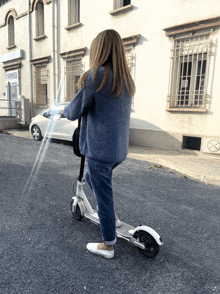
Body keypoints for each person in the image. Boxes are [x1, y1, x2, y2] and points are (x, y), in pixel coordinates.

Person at [64, 29, 135, 259]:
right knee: (96, 180)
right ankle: (111, 217)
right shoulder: (125, 80)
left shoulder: (94, 77)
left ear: (98, 51)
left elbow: (73, 112)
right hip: (118, 150)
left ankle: (108, 245)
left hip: (98, 150)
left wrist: (65, 108)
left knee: (103, 193)